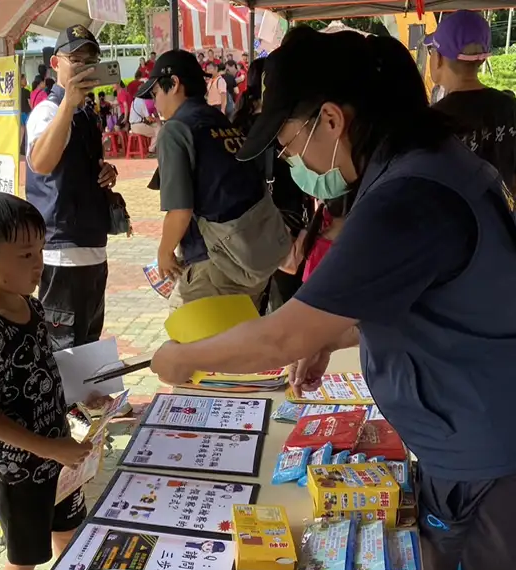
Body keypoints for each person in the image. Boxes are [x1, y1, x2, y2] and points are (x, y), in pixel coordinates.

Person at [150, 26, 516, 570]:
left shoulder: (407, 196)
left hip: (489, 462)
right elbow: (405, 297)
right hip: (483, 440)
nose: (291, 159)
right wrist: (328, 335)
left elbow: (278, 337)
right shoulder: (426, 164)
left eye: (289, 143)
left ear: (332, 121)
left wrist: (183, 358)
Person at [0, 192, 114, 570]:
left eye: (41, 251)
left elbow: (42, 372)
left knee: (71, 534)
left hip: (59, 456)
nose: (39, 265)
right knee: (25, 560)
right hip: (22, 473)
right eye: (26, 255)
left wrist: (81, 398)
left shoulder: (32, 306)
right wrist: (50, 448)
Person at [138, 50, 289, 309]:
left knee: (189, 344)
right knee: (237, 342)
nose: (155, 102)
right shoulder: (219, 121)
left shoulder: (175, 130)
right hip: (252, 256)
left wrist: (164, 253)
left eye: (155, 93)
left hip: (215, 266)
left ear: (173, 84)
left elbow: (180, 211)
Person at [25, 25, 118, 350]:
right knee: (63, 349)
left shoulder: (87, 114)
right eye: (75, 60)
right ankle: (65, 403)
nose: (82, 67)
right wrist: (68, 105)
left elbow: (77, 168)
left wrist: (106, 171)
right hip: (60, 250)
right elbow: (41, 163)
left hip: (92, 244)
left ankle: (85, 403)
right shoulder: (47, 111)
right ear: (56, 64)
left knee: (88, 344)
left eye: (89, 61)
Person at [427, 10, 516, 200]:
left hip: (450, 227)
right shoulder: (514, 110)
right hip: (499, 227)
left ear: (438, 58)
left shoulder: (431, 120)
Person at [231, 57, 314, 311]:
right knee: (287, 305)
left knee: (254, 307)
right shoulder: (282, 126)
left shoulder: (237, 123)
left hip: (252, 227)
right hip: (285, 222)